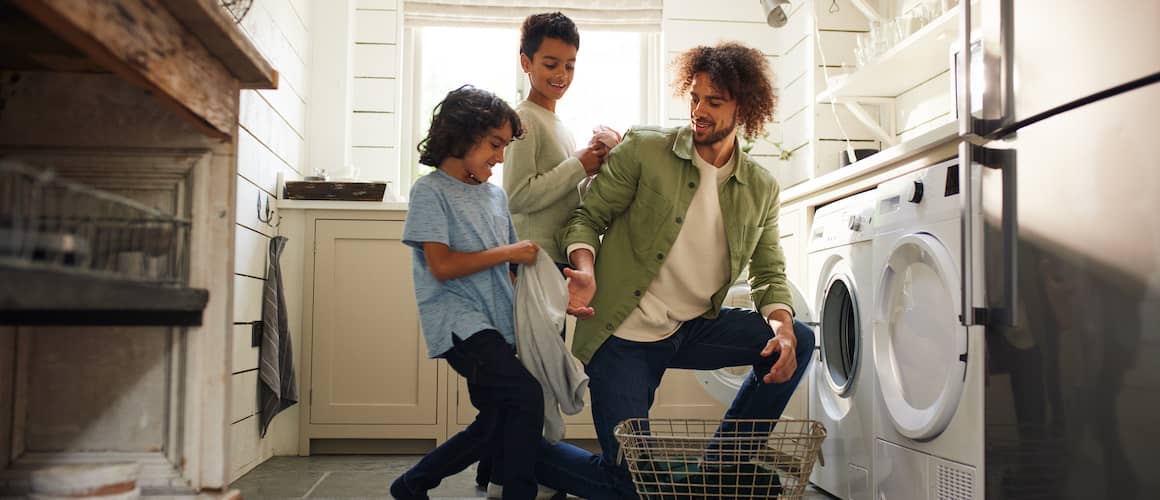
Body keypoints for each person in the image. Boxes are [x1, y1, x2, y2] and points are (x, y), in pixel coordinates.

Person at [534, 42, 817, 500]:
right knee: (632, 486)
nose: (699, 111)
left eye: (714, 102)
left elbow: (769, 273)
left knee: (799, 338)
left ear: (742, 108)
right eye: (695, 97)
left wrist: (781, 328)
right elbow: (586, 219)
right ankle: (520, 452)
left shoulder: (760, 187)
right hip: (623, 334)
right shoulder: (647, 150)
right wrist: (583, 269)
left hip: (693, 327)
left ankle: (718, 470)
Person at [390, 85, 544, 500]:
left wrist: (562, 300)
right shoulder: (431, 191)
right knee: (527, 396)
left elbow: (512, 271)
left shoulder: (495, 196)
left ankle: (411, 485)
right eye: (495, 144)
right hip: (460, 325)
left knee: (495, 419)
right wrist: (510, 251)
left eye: (505, 146)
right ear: (462, 134)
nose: (500, 156)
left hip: (497, 324)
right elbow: (442, 267)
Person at [503, 11, 614, 270]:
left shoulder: (561, 126)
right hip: (535, 259)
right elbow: (517, 197)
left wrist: (594, 168)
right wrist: (578, 165)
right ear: (526, 63)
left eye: (569, 65)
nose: (562, 75)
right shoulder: (523, 118)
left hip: (559, 257)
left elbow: (566, 195)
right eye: (551, 64)